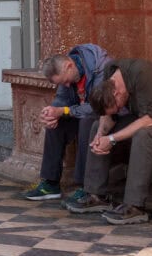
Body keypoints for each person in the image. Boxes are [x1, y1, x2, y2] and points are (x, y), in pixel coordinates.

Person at [66, 59, 152, 224]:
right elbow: (108, 116)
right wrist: (100, 136)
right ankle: (96, 195)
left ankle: (135, 206)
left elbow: (149, 121)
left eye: (117, 107)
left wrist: (111, 139)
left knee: (144, 135)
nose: (118, 110)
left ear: (117, 93)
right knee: (97, 126)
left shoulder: (141, 73)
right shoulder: (111, 71)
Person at [23, 44, 112, 204]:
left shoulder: (101, 68)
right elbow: (62, 100)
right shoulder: (67, 74)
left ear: (69, 66)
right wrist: (52, 112)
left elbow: (98, 107)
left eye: (65, 81)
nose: (66, 85)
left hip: (106, 116)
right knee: (55, 124)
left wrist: (64, 111)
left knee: (87, 122)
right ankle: (50, 183)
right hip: (80, 111)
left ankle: (85, 186)